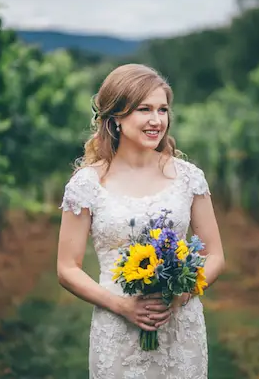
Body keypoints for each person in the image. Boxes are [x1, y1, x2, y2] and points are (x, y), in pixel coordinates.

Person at [57, 63, 226, 378]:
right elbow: (67, 268)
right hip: (117, 325)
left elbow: (214, 255)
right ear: (116, 118)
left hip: (180, 326)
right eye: (144, 109)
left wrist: (183, 293)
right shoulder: (87, 184)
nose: (156, 120)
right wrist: (122, 306)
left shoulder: (189, 177)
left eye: (162, 110)